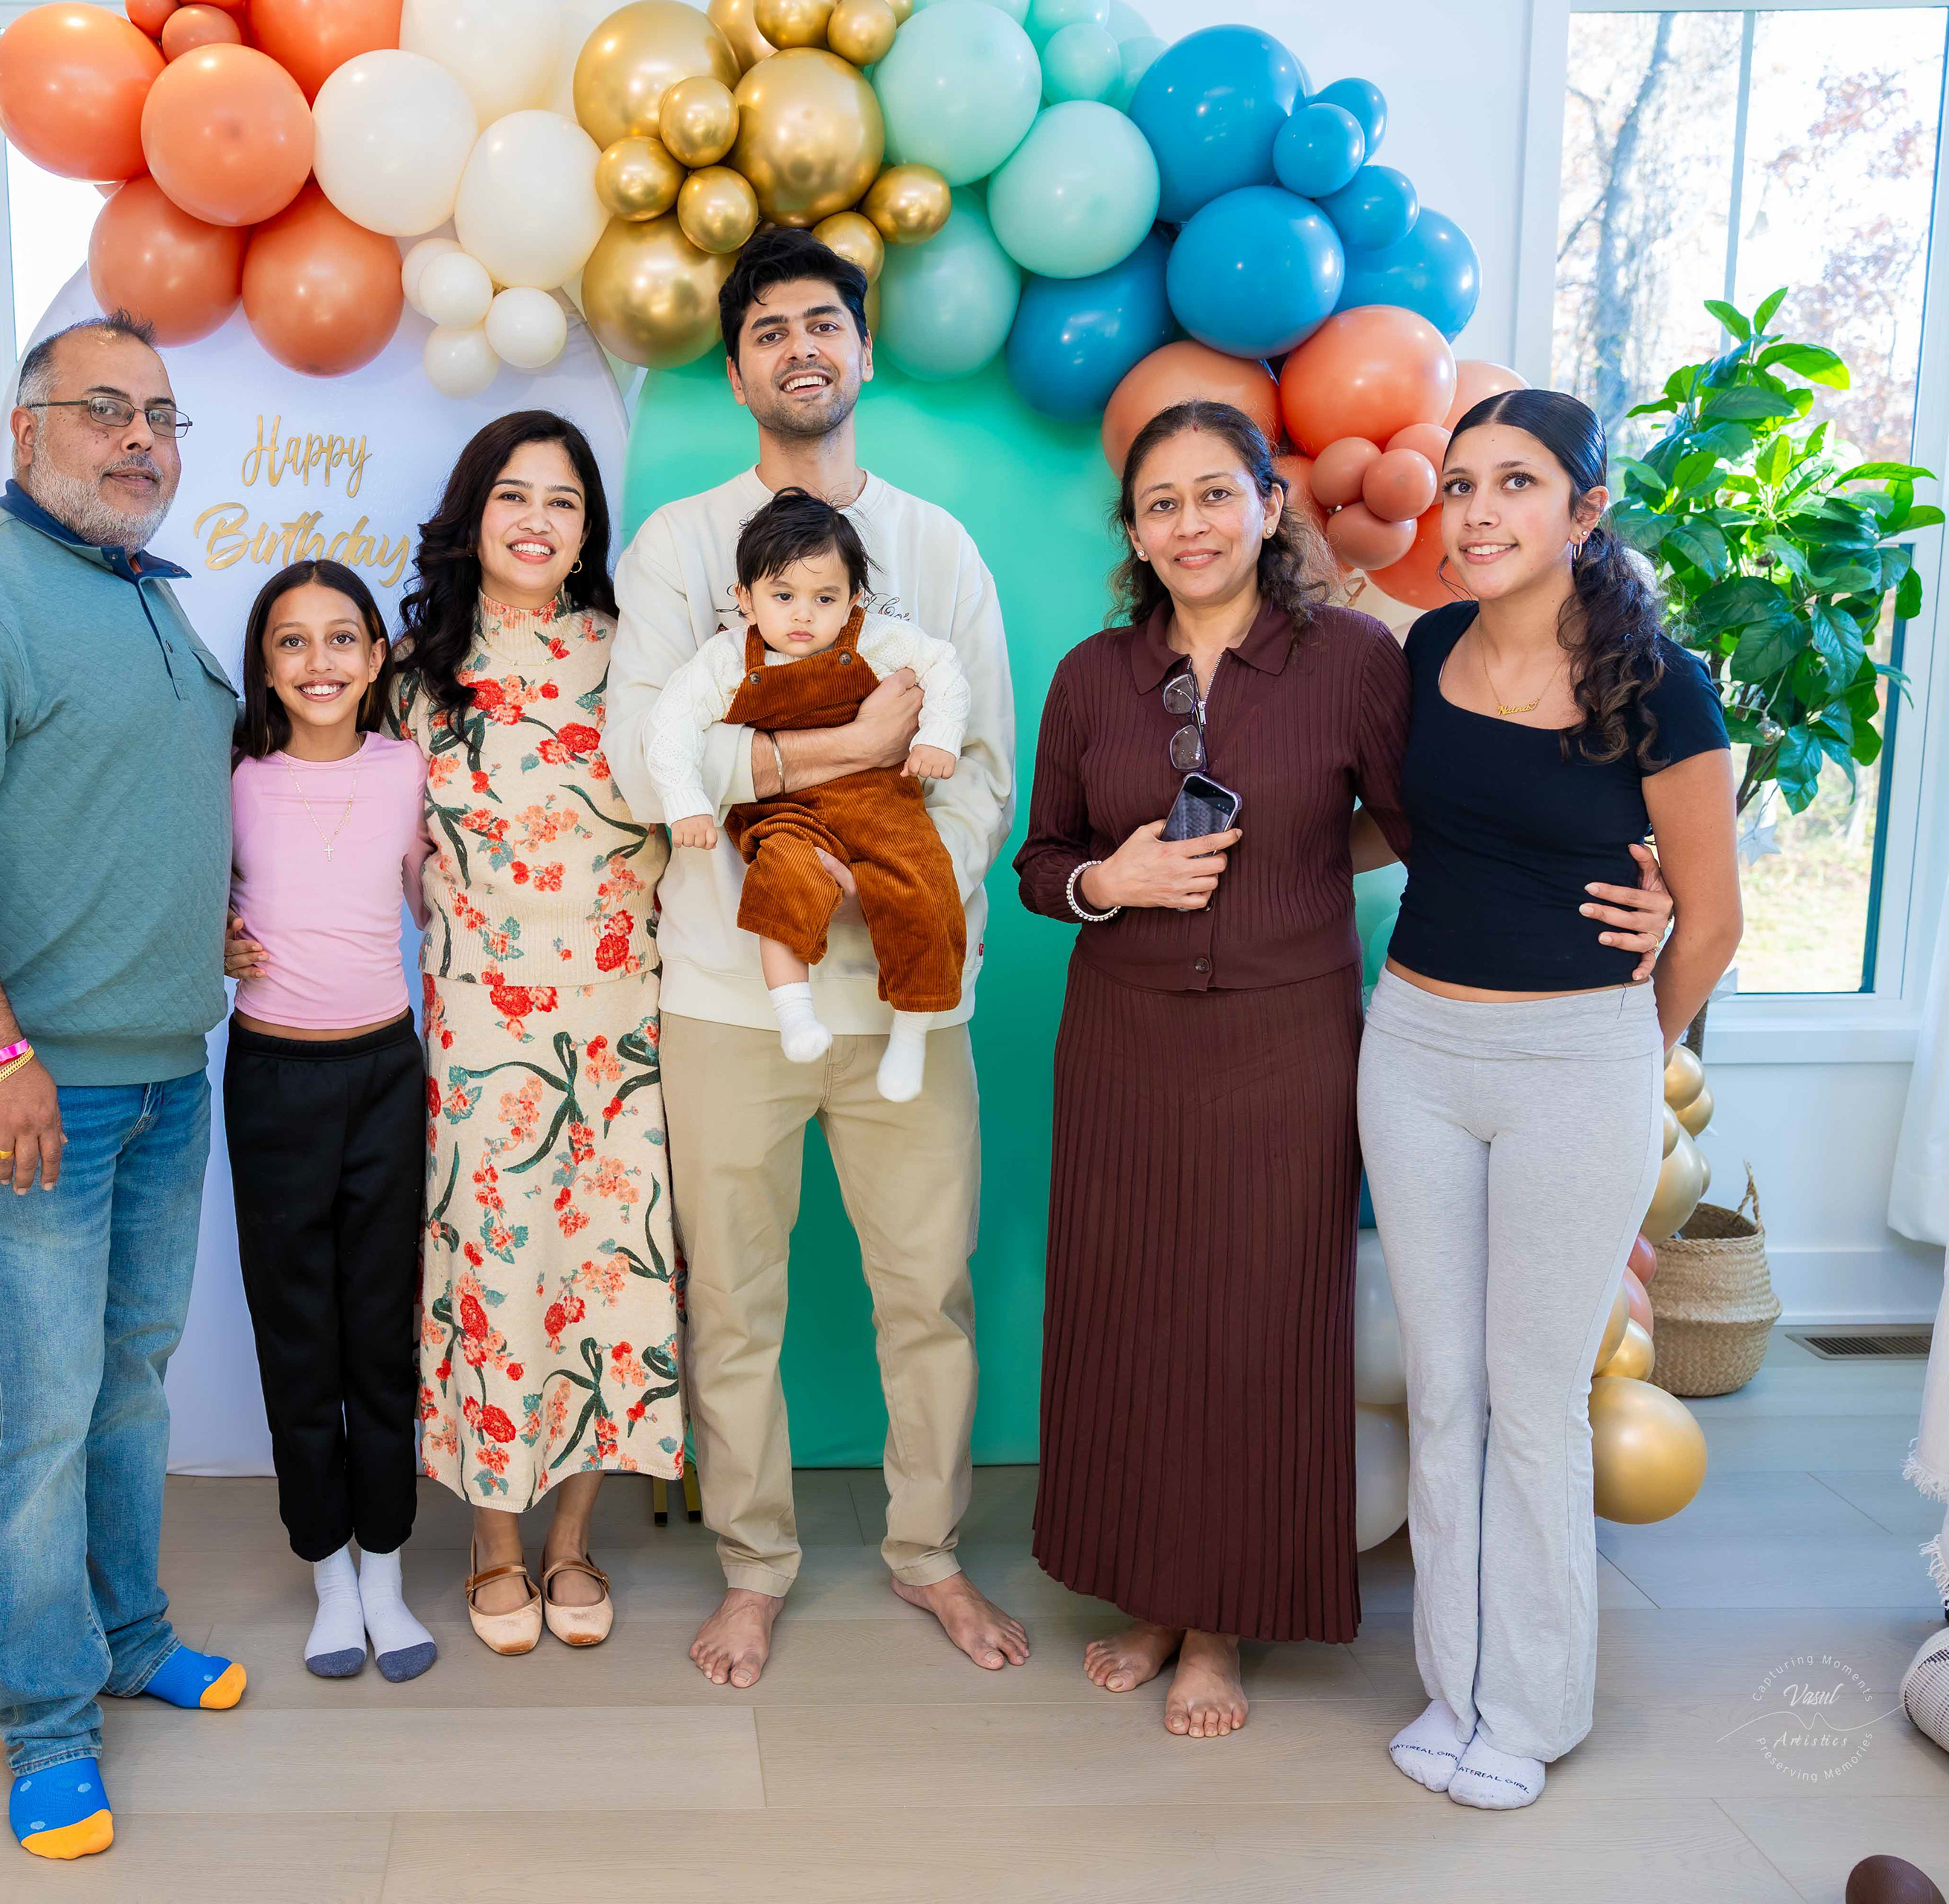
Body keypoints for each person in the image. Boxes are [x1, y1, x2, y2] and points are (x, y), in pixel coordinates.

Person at [1012, 401, 1676, 1740]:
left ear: (1270, 506)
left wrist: (1645, 900)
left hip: (1289, 1048)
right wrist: (1108, 881)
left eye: (1216, 493)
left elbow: (1449, 823)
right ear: (1134, 532)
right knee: (1127, 1318)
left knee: (1255, 1328)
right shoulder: (1089, 675)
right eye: (1160, 504)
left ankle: (1219, 1625)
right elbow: (1040, 863)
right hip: (1123, 1046)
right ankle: (1147, 1596)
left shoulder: (1358, 661)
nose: (1190, 524)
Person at [0, 312, 246, 1864]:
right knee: (36, 1408)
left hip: (163, 1072)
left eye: (162, 415)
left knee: (131, 1375)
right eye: (105, 409)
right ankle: (50, 1726)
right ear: (27, 431)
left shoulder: (144, 593)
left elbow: (118, 813)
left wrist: (201, 922)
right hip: (30, 1085)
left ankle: (130, 1635)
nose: (141, 437)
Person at [609, 227, 1026, 1689]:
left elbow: (983, 767)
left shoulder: (939, 549)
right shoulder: (679, 547)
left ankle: (928, 1553)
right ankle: (754, 1567)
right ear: (736, 373)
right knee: (735, 1303)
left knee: (930, 1292)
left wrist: (894, 885)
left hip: (910, 992)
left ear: (862, 351)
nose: (801, 348)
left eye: (823, 324)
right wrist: (837, 752)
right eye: (770, 329)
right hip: (731, 995)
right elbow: (643, 760)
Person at [1363, 388, 1739, 1812]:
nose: (1476, 512)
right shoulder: (1429, 646)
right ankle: (1453, 1688)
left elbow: (1710, 918)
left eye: (1515, 483)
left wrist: (1621, 1048)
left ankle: (1530, 1710)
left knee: (1534, 1399)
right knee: (1446, 1388)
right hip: (1414, 1048)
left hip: (1577, 1062)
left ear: (1587, 510)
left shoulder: (1662, 686)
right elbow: (1418, 828)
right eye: (1460, 484)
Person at [390, 410, 685, 1657]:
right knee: (497, 1283)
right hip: (480, 1032)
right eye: (514, 494)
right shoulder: (413, 678)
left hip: (622, 1029)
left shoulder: (640, 657)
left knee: (608, 1280)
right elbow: (365, 847)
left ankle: (572, 1544)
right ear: (474, 514)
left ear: (588, 529)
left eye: (563, 501)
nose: (537, 520)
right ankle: (494, 1542)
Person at [217, 560, 435, 1685]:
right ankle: (329, 1575)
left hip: (385, 1072)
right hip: (273, 1079)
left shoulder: (409, 768)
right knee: (297, 1332)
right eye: (292, 641)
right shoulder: (234, 776)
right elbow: (184, 892)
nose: (319, 661)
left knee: (379, 1330)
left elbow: (440, 897)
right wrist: (211, 934)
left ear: (377, 656)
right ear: (264, 665)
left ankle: (386, 1571)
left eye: (342, 637)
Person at [646, 489, 972, 1103]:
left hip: (880, 801)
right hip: (786, 811)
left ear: (855, 600)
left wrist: (939, 738)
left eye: (825, 599)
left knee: (925, 884)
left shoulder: (879, 640)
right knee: (782, 873)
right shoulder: (726, 661)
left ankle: (911, 1034)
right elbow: (670, 725)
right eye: (783, 596)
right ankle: (794, 1011)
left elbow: (944, 668)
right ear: (745, 598)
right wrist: (685, 800)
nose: (804, 615)